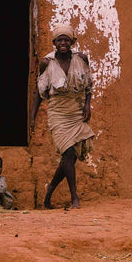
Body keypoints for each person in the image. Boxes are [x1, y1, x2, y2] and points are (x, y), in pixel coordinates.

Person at [30, 23, 94, 209]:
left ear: (72, 41)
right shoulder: (46, 63)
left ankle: (50, 189)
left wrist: (88, 105)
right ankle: (75, 197)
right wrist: (32, 118)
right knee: (67, 152)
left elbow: (89, 85)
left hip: (76, 110)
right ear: (54, 43)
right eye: (60, 40)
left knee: (70, 157)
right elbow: (38, 92)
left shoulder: (81, 59)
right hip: (57, 113)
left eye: (67, 39)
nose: (63, 43)